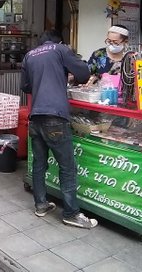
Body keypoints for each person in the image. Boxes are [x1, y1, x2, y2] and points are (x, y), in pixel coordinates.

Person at [21, 29, 98, 229]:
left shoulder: (29, 55)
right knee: (67, 166)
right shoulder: (60, 49)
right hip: (55, 117)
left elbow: (26, 86)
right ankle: (71, 213)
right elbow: (84, 73)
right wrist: (66, 75)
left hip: (35, 117)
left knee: (39, 163)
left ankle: (41, 204)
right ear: (59, 41)